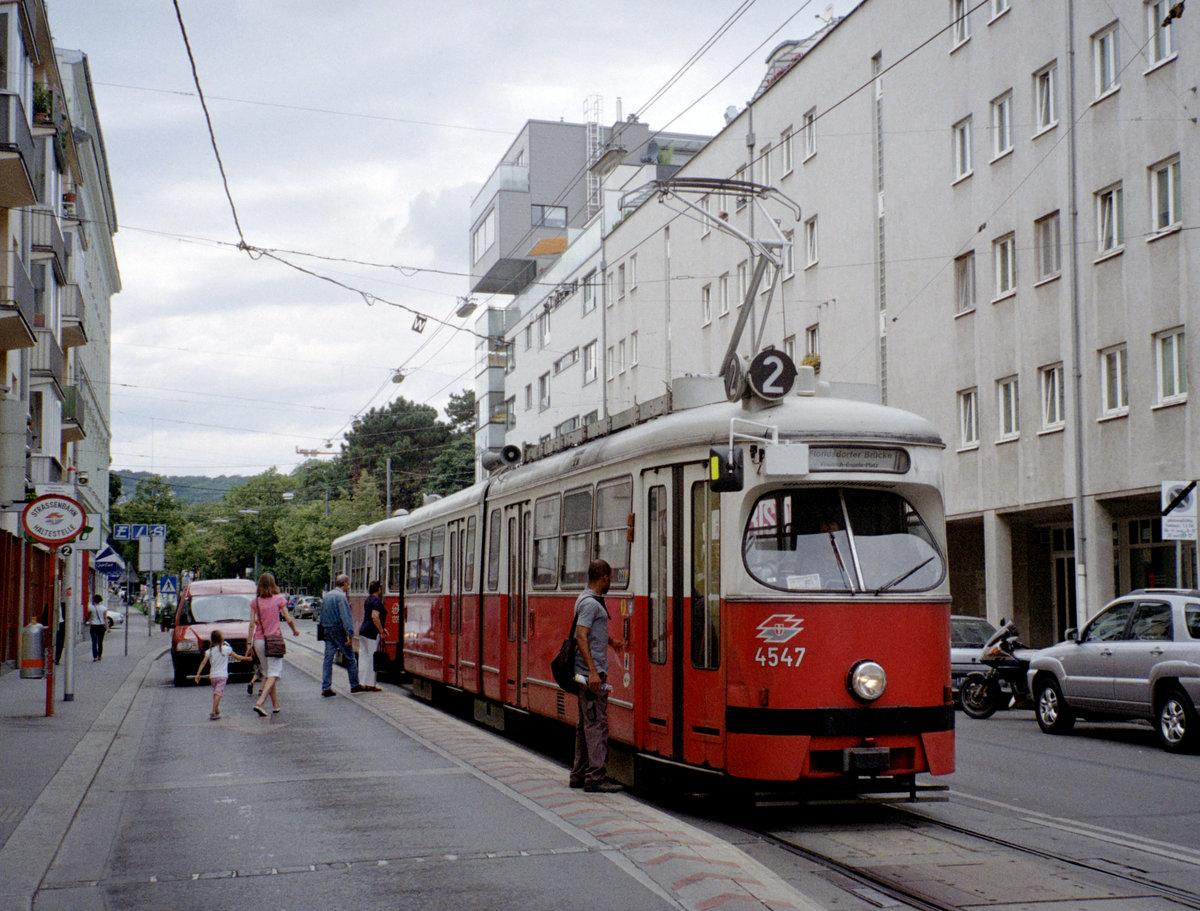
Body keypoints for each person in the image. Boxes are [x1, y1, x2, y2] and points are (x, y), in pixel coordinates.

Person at [569, 559, 625, 793]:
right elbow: (581, 636)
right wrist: (593, 671)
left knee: (585, 726)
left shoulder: (584, 600)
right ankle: (596, 777)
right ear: (603, 578)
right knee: (597, 725)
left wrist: (611, 642)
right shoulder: (591, 604)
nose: (610, 582)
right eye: (609, 578)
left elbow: (589, 634)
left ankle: (579, 775)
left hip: (585, 672)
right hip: (591, 674)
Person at [247, 572, 299, 716]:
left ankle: (275, 705)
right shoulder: (279, 599)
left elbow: (252, 624)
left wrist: (248, 644)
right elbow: (288, 619)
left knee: (268, 673)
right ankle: (260, 702)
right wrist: (294, 630)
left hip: (258, 641)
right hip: (274, 640)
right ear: (273, 584)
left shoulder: (255, 602)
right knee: (274, 673)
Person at [319, 573, 365, 697]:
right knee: (350, 658)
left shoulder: (327, 596)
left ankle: (326, 686)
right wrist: (350, 633)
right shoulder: (341, 597)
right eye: (348, 584)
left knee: (328, 659)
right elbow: (346, 616)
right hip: (338, 630)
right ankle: (354, 684)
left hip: (327, 630)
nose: (348, 586)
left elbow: (322, 614)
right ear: (345, 584)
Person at [193, 629, 249, 720]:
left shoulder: (209, 651)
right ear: (222, 639)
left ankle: (217, 709)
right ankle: (213, 712)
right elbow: (237, 657)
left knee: (216, 693)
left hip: (213, 676)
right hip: (222, 676)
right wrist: (248, 659)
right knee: (218, 693)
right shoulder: (227, 649)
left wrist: (198, 674)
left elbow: (203, 662)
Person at [356, 580, 385, 691]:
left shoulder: (368, 600)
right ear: (378, 589)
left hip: (363, 630)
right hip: (372, 632)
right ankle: (371, 684)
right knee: (372, 658)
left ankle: (362, 682)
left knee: (363, 657)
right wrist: (381, 631)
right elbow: (375, 616)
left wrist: (382, 629)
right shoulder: (377, 600)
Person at [87, 594, 107, 661]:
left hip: (94, 626)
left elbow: (89, 616)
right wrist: (107, 627)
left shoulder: (91, 607)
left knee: (94, 642)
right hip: (101, 626)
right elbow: (105, 618)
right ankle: (100, 656)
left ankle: (95, 656)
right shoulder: (104, 608)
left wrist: (88, 621)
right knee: (100, 642)